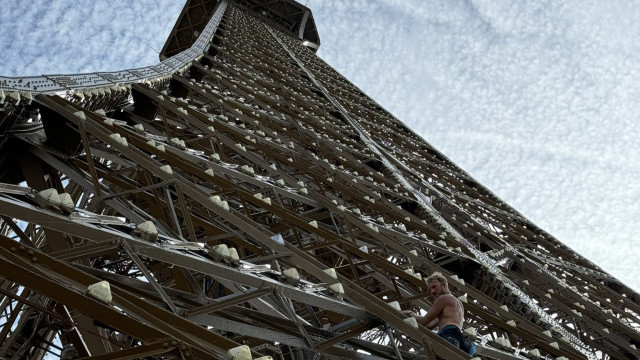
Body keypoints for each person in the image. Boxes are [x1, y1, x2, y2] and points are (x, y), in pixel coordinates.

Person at [404, 272, 476, 356]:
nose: (432, 291)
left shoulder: (443, 298)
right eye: (430, 289)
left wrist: (410, 313)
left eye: (434, 287)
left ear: (444, 284)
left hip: (449, 335)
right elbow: (429, 326)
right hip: (461, 341)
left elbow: (424, 321)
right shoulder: (457, 303)